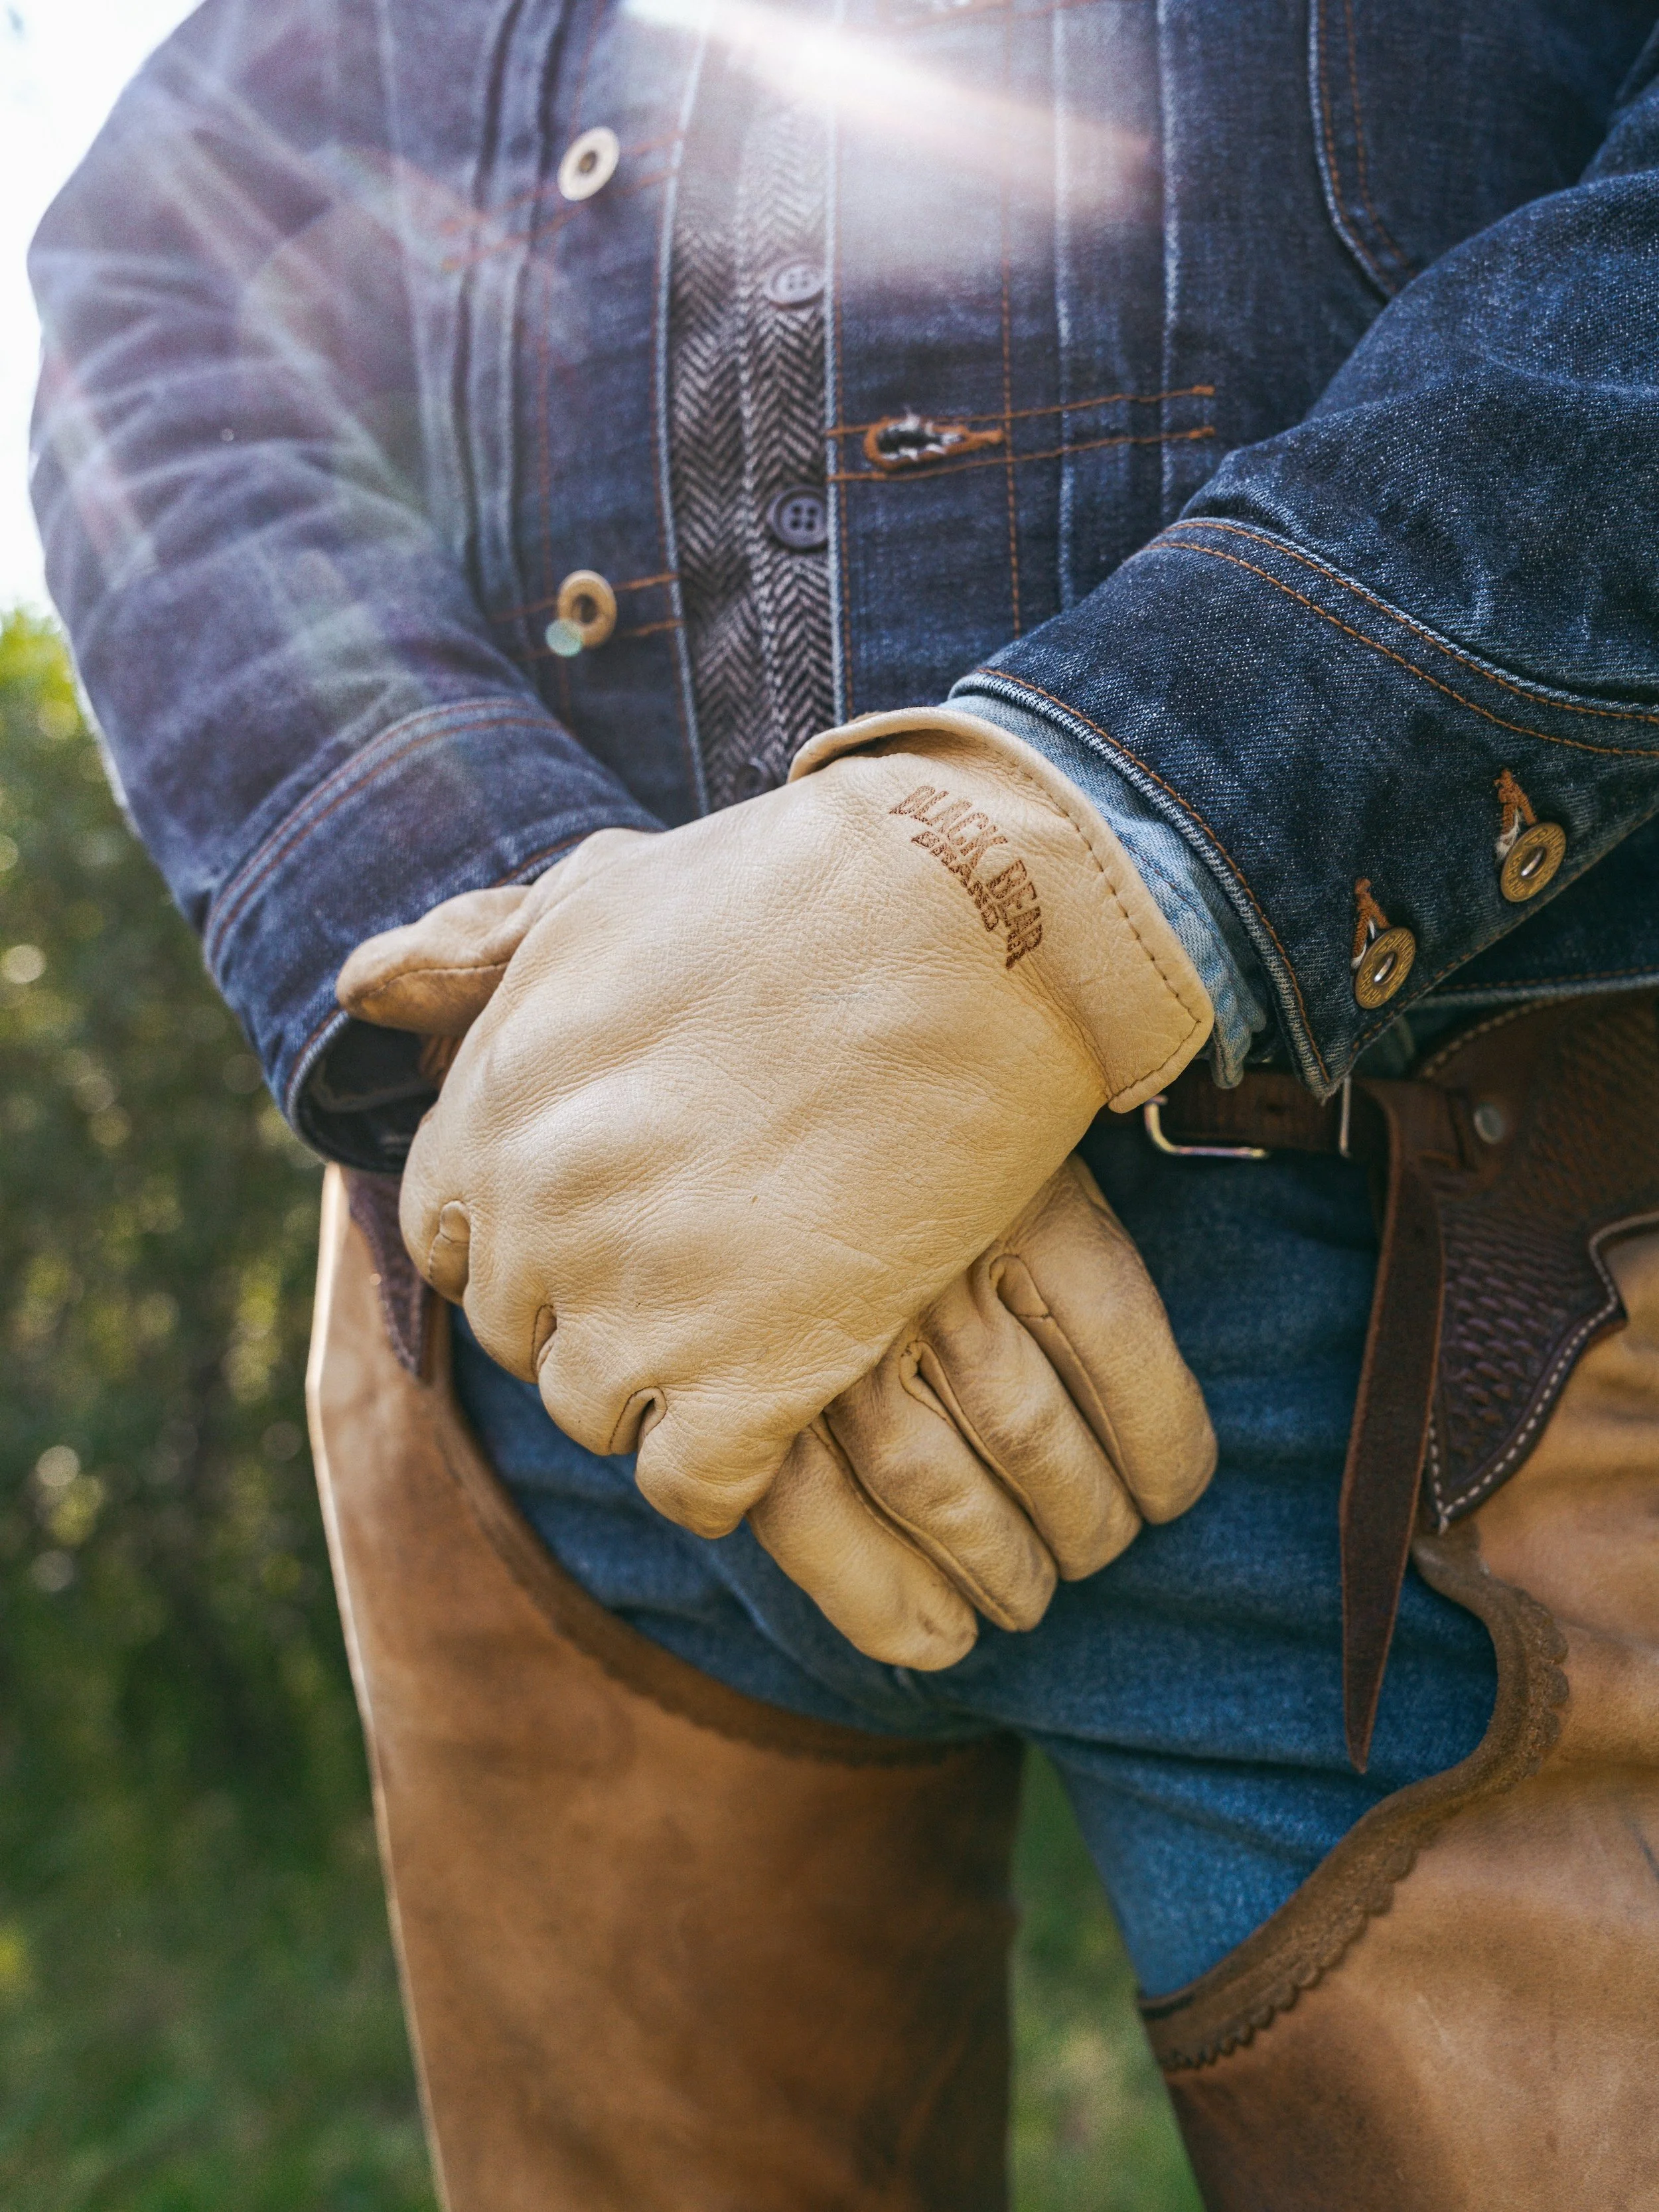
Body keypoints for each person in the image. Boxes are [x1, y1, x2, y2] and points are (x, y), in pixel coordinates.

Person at [29, 0, 1659, 2202]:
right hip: (553, 1365)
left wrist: (1095, 860)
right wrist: (510, 950)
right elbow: (163, 290)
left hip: (1471, 1315)